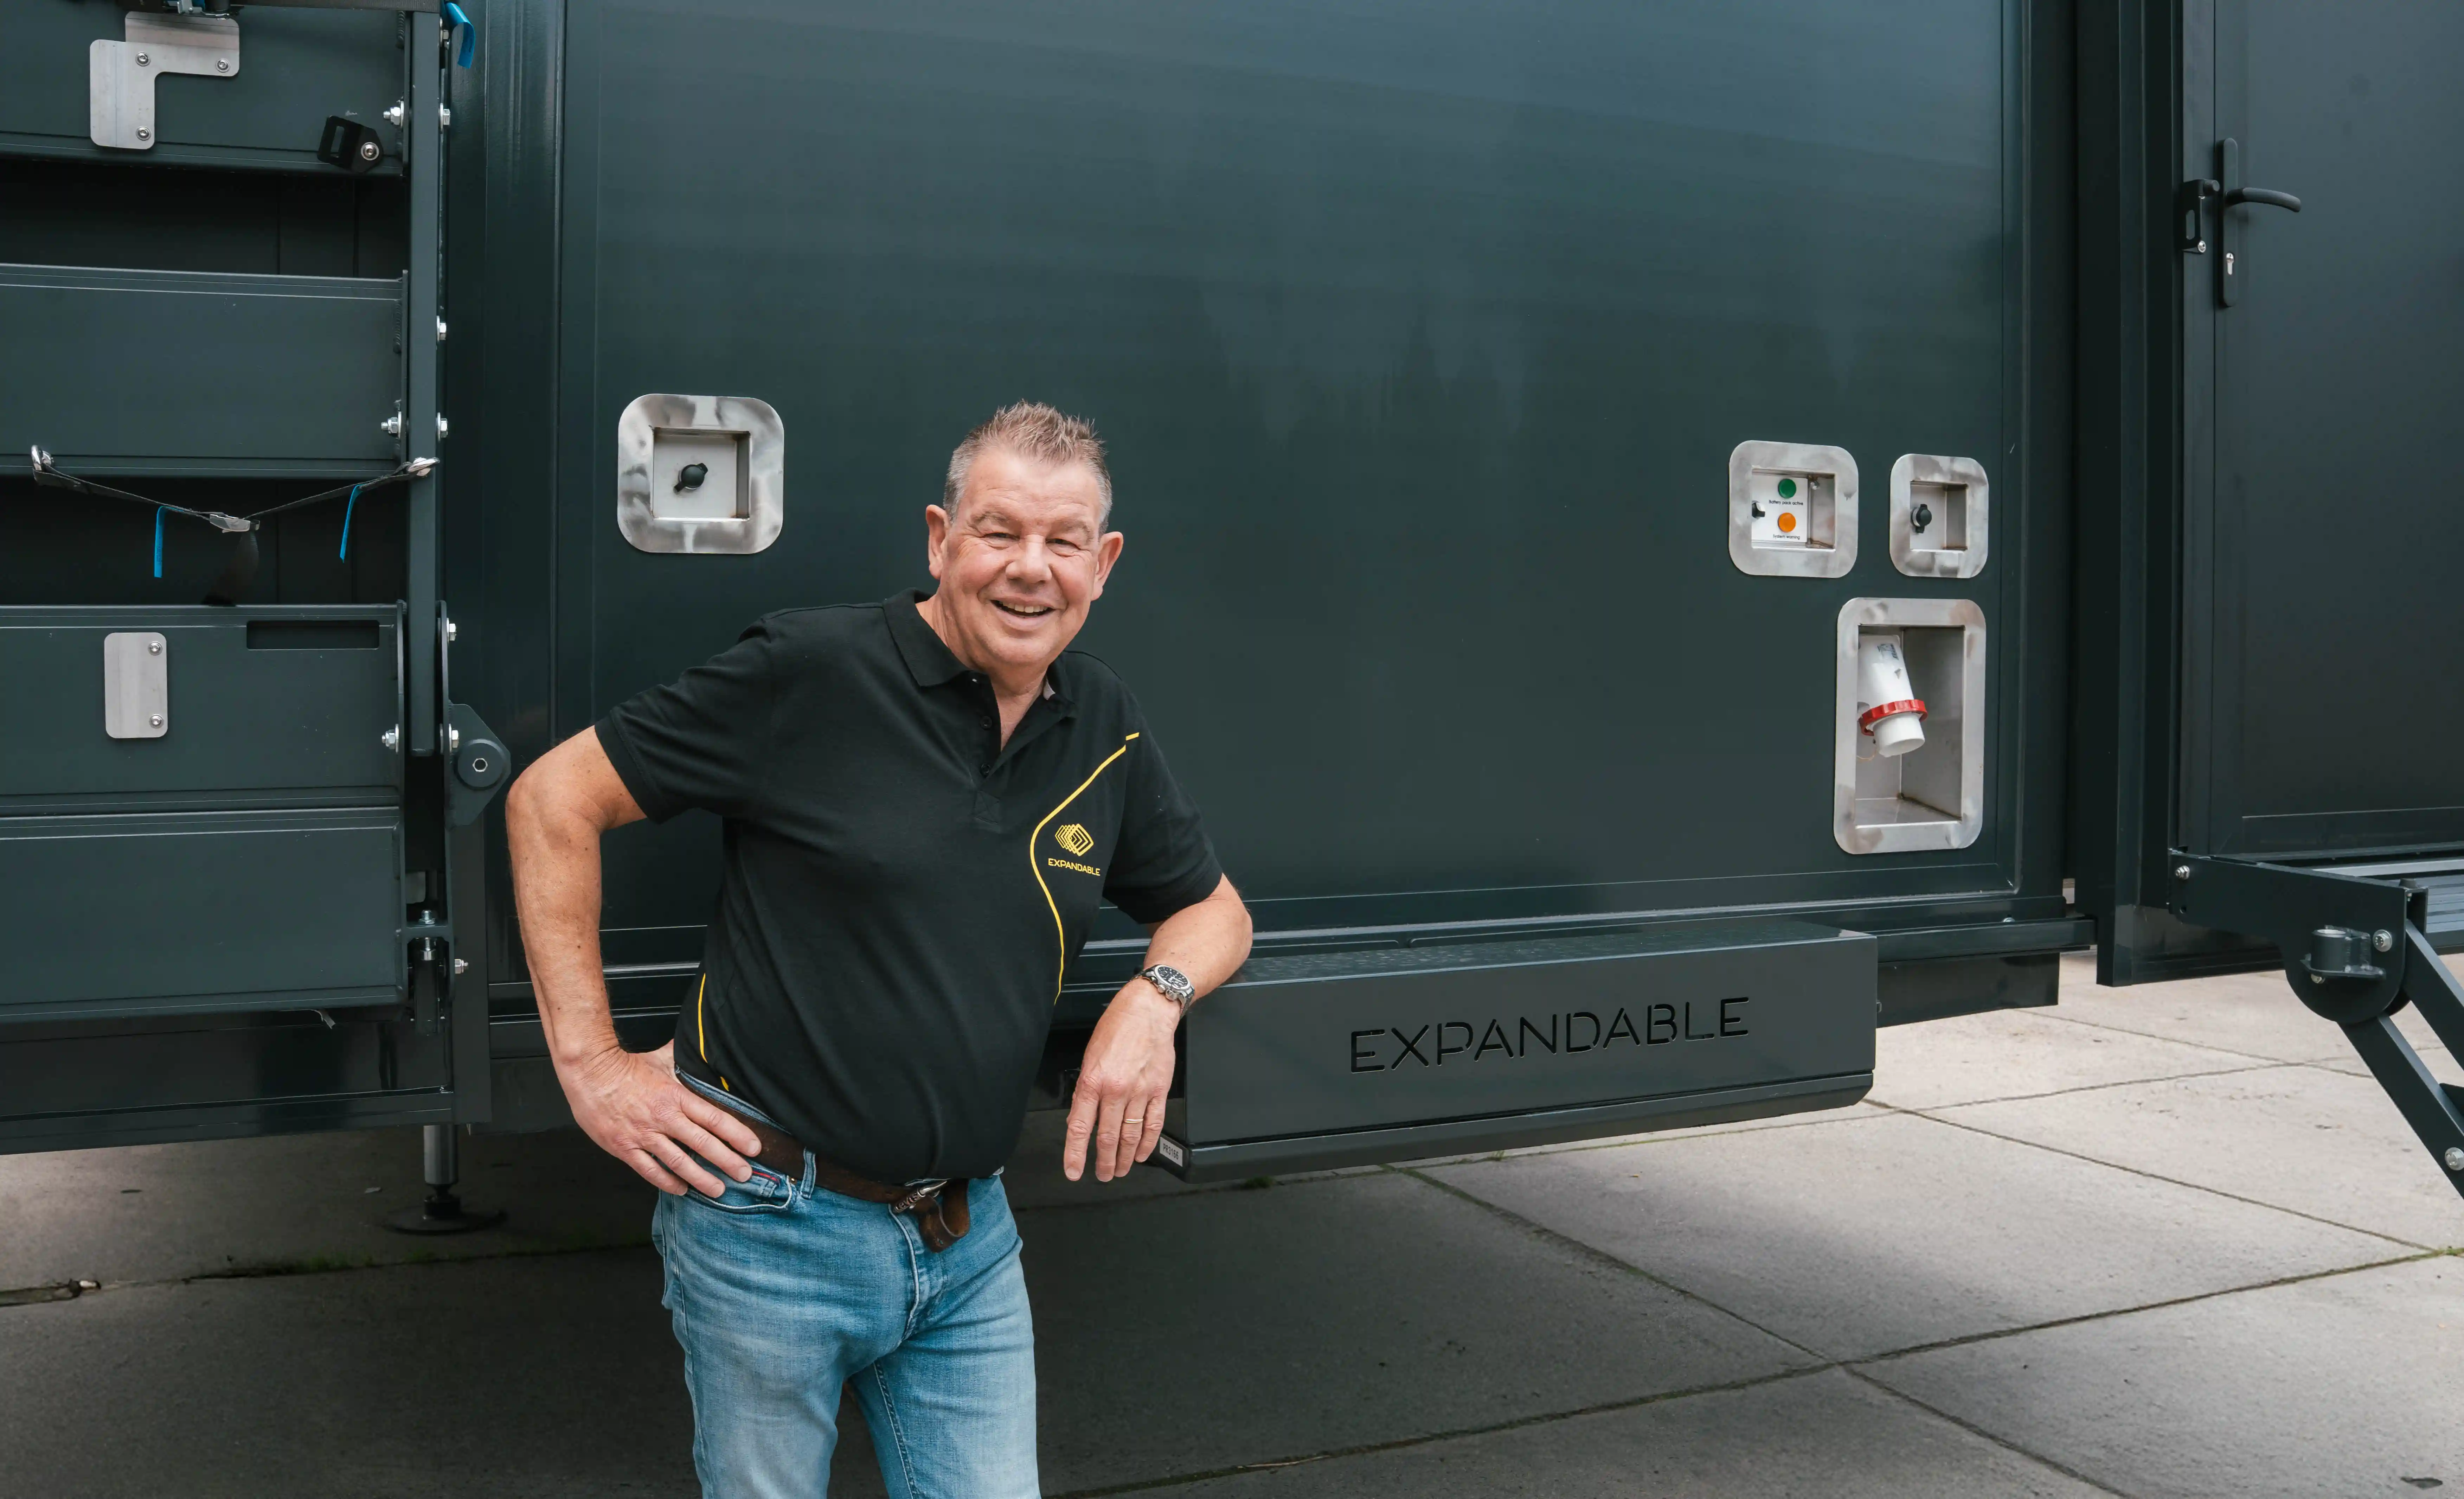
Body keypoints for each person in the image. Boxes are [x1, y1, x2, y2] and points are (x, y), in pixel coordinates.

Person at [505, 402, 1253, 1499]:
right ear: (940, 539)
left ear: (1105, 563)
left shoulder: (1101, 722)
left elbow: (1217, 911)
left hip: (969, 1240)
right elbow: (550, 800)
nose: (1029, 570)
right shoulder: (810, 671)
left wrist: (1154, 999)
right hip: (769, 1226)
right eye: (998, 532)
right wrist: (590, 1066)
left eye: (1061, 543)